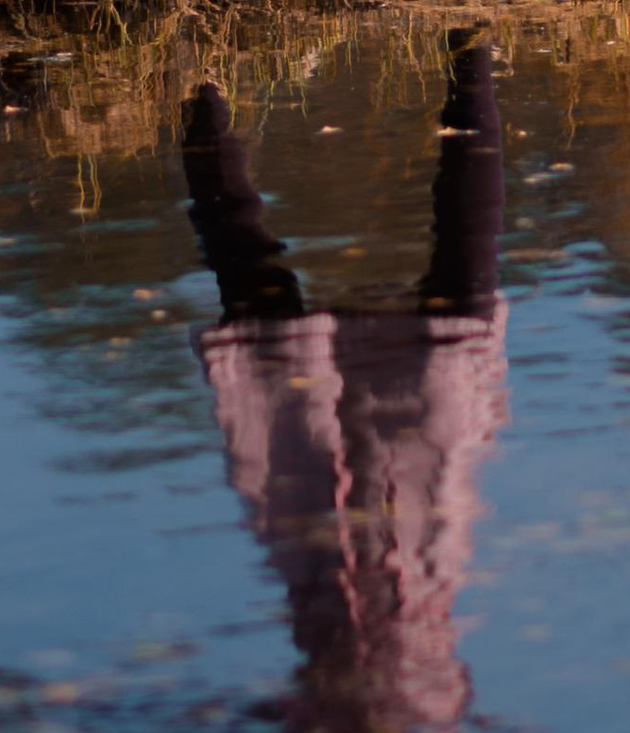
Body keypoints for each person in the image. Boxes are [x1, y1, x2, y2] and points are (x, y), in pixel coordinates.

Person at [178, 36, 507, 731]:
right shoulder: (442, 717)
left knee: (261, 315)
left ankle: (191, 64)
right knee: (458, 318)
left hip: (319, 557)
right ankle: (473, 42)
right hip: (421, 546)